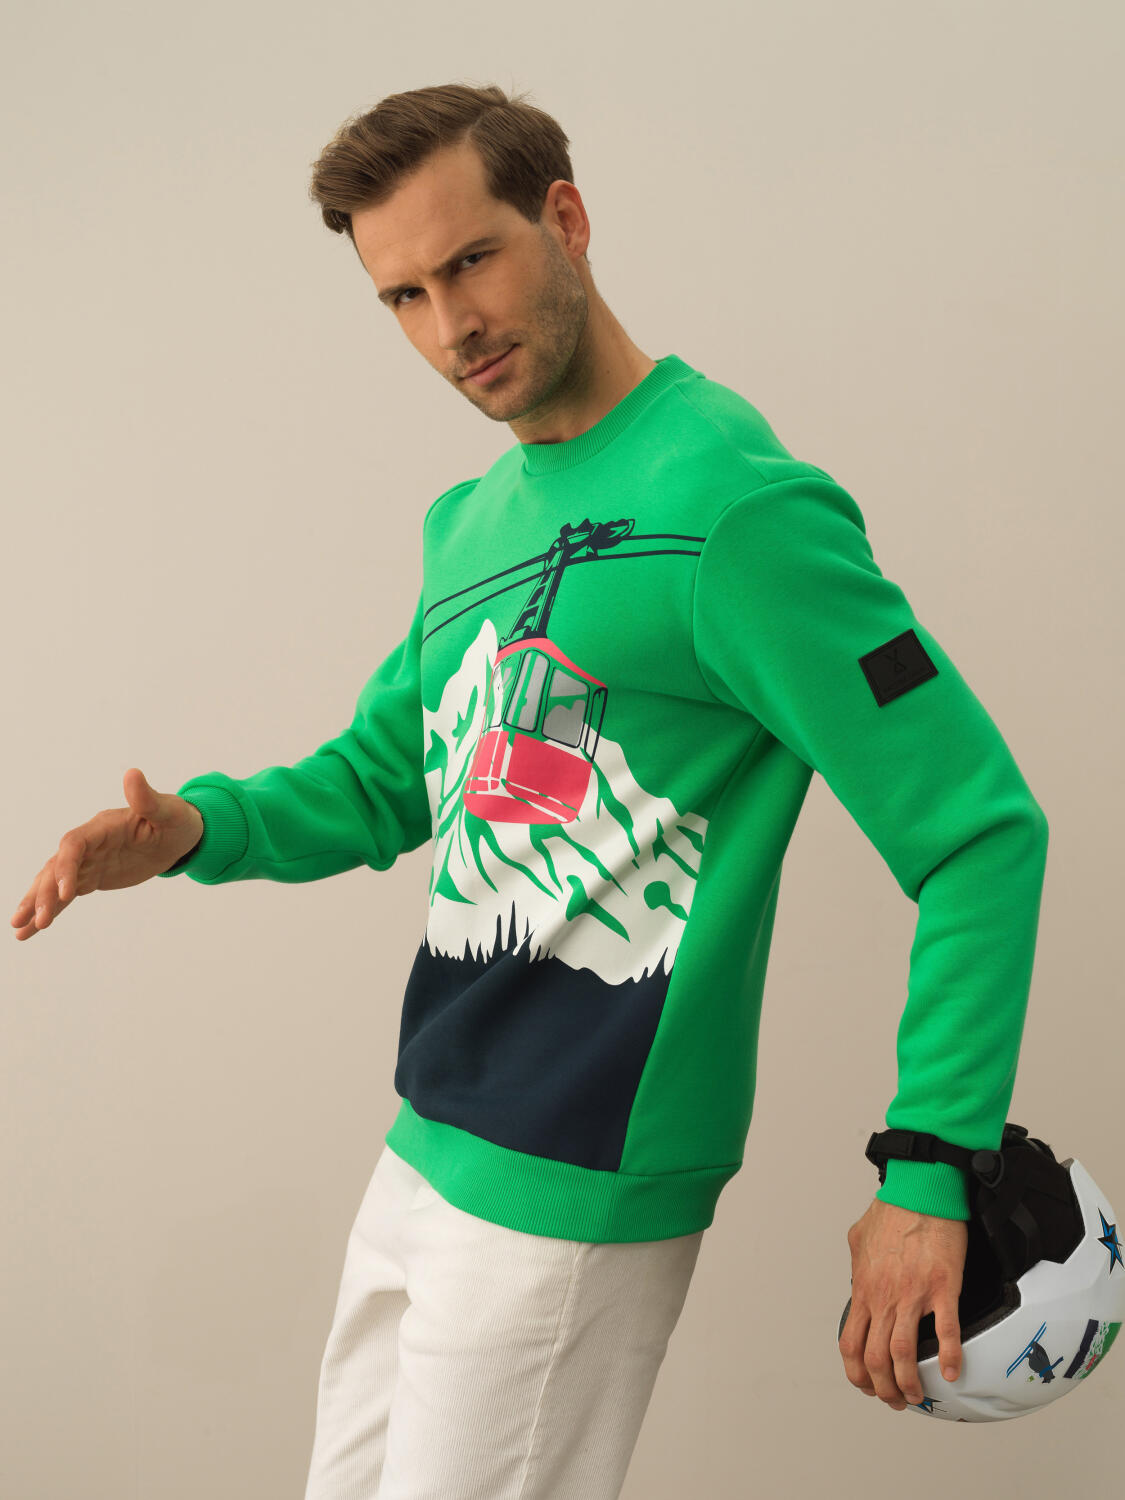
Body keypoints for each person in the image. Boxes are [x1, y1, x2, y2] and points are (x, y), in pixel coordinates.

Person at [12, 82, 1049, 1497]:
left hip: (580, 1172)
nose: (450, 327)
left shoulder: (738, 511)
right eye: (403, 296)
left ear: (563, 219)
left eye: (470, 262)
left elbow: (976, 829)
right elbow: (389, 776)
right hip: (428, 1134)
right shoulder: (470, 524)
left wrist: (929, 1170)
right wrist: (198, 828)